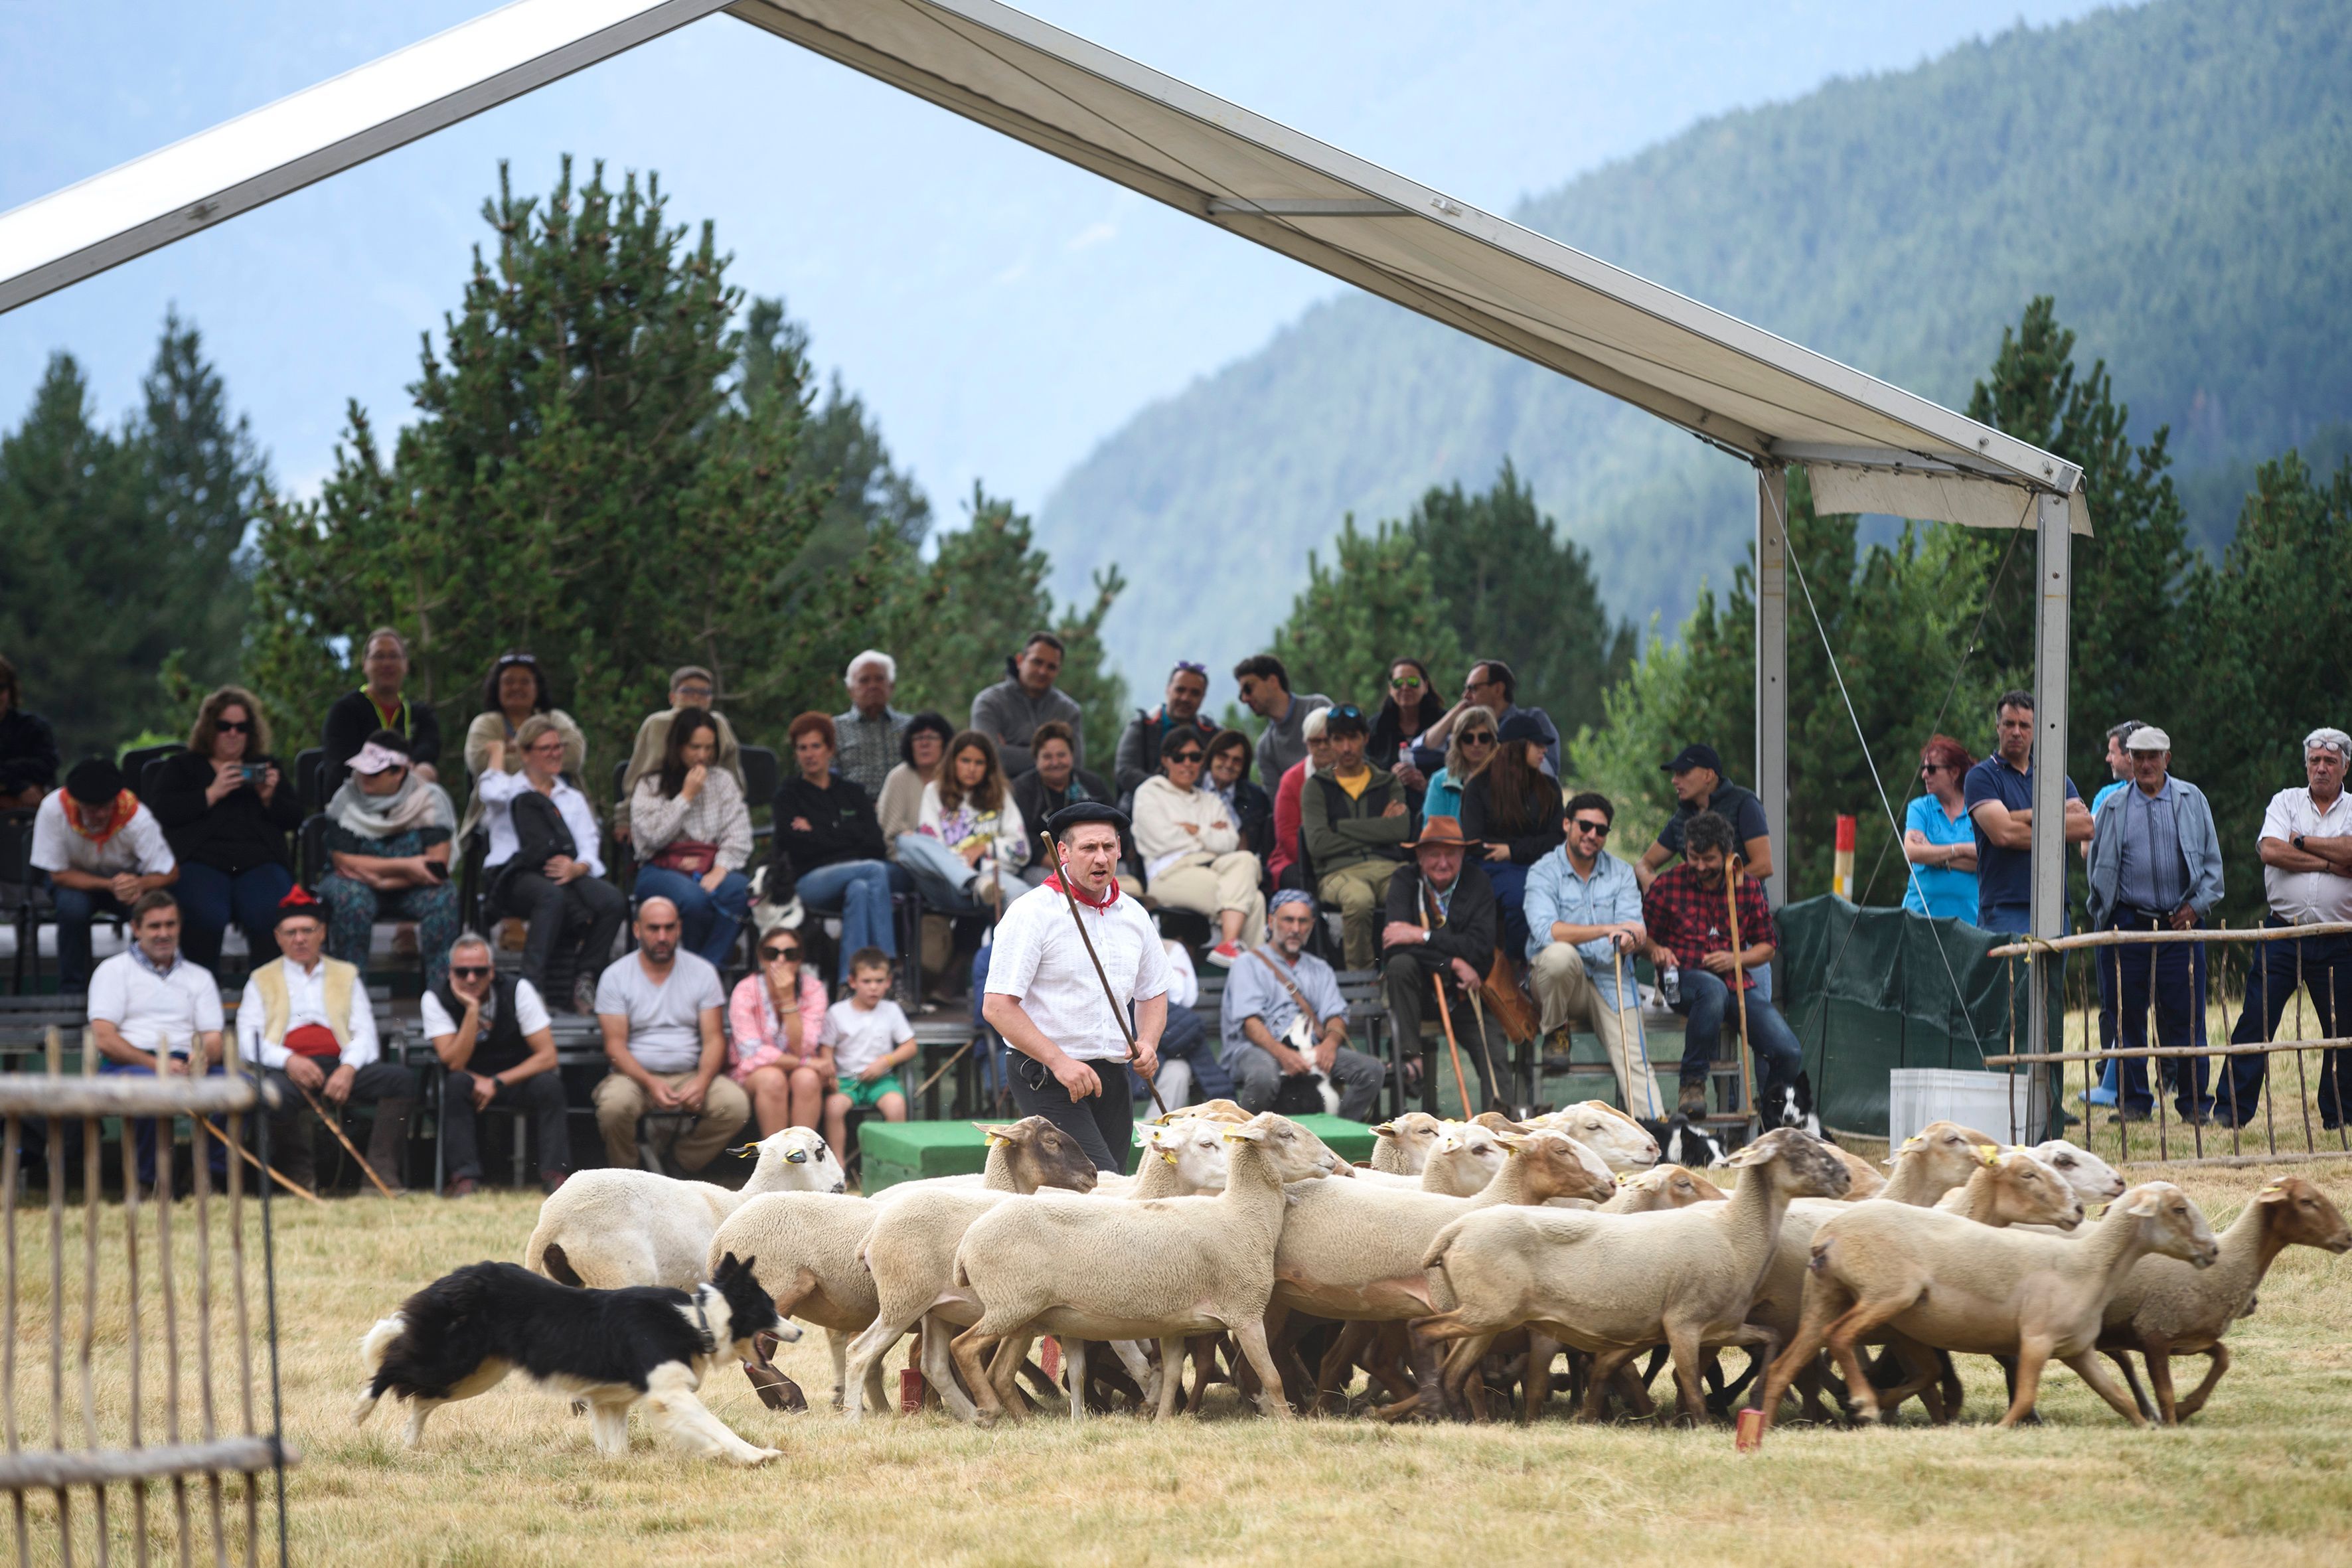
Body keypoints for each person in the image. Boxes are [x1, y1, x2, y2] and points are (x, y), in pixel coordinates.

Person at [980, 801, 1167, 1172]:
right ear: (1062, 852)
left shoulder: (1134, 914)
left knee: (1111, 1188)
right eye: (1088, 848)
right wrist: (1060, 1062)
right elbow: (997, 1007)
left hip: (1114, 1073)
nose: (1101, 858)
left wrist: (1147, 1042)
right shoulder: (1030, 913)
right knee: (1100, 1183)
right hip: (1046, 1075)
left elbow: (1154, 991)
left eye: (1109, 847)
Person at [237, 887, 418, 1194]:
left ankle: (379, 1176)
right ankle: (300, 1178)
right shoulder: (261, 979)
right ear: (278, 937)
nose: (299, 939)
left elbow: (365, 1034)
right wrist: (289, 1060)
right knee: (272, 1094)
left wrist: (348, 1068)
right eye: (291, 932)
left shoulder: (346, 974)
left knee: (400, 1080)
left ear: (322, 933)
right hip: (288, 1070)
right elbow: (247, 1039)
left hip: (339, 1065)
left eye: (308, 930)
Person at [2086, 726, 2224, 1125]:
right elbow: (2097, 869)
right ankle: (2133, 1103)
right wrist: (2107, 915)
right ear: (2128, 759)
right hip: (2127, 924)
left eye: (2153, 756)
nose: (2145, 764)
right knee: (2126, 1017)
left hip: (2179, 926)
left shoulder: (2192, 799)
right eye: (2138, 756)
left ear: (2168, 758)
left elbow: (2214, 866)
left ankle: (2195, 1105)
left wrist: (2195, 909)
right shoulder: (2112, 807)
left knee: (2188, 1019)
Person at [2221, 728, 2352, 1129]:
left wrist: (2301, 841)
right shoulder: (2285, 801)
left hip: (2339, 936)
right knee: (2255, 1021)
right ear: (2306, 764)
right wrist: (2329, 863)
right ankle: (2231, 1111)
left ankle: (2341, 1114)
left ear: (2345, 766)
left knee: (2343, 1027)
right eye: (2315, 761)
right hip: (2283, 933)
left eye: (2330, 761)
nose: (2322, 768)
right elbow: (2270, 850)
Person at [1641, 811, 1802, 1117]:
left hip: (1735, 985)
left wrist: (1735, 958)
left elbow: (1768, 947)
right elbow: (1642, 938)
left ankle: (1772, 1123)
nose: (1700, 866)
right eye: (1693, 856)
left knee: (1788, 1052)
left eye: (1709, 859)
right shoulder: (1668, 884)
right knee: (1711, 989)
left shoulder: (1747, 887)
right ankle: (1692, 1083)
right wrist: (1657, 950)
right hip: (1679, 981)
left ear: (1728, 855)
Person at [1524, 793, 1664, 1119]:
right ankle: (1556, 1030)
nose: (1592, 835)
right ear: (1567, 825)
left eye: (1600, 830)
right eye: (1584, 826)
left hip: (1610, 975)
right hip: (1559, 986)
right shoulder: (1542, 872)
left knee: (1636, 1063)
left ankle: (1657, 1139)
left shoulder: (1621, 873)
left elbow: (1633, 928)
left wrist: (1630, 939)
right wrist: (1607, 929)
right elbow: (1548, 932)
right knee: (1560, 956)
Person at [148, 686, 303, 974]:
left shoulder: (265, 767)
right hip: (201, 860)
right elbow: (160, 812)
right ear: (210, 729)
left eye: (242, 727)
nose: (233, 734)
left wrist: (269, 797)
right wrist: (211, 794)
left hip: (259, 861)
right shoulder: (183, 767)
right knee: (205, 916)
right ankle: (199, 993)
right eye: (225, 726)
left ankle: (270, 995)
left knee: (272, 912)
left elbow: (294, 818)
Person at [478, 714, 627, 1009]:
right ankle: (531, 989)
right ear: (525, 753)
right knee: (551, 896)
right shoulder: (508, 790)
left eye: (558, 747)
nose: (555, 754)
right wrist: (497, 754)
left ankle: (585, 976)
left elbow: (589, 844)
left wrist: (579, 868)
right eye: (546, 748)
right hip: (514, 875)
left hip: (565, 872)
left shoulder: (571, 797)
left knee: (612, 900)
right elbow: (488, 790)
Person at [591, 896, 748, 1173]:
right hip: (633, 1077)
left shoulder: (703, 972)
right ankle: (627, 1177)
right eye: (654, 928)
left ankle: (680, 1164)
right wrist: (650, 1083)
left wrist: (701, 1081)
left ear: (679, 929)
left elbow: (714, 1038)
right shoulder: (615, 976)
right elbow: (615, 1047)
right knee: (614, 1107)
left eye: (669, 928)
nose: (662, 936)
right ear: (638, 930)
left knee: (734, 1106)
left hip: (689, 1073)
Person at [88, 891, 224, 1190]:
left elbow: (213, 1036)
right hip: (130, 1063)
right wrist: (156, 1063)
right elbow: (105, 1038)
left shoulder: (199, 977)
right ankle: (148, 1184)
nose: (164, 933)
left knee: (243, 1086)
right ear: (136, 929)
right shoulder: (113, 971)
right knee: (150, 1090)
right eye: (154, 926)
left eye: (170, 925)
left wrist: (204, 1057)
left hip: (188, 1064)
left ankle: (210, 1176)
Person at [422, 931, 570, 1196]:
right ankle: (464, 1178)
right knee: (455, 1084)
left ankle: (555, 1176)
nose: (470, 978)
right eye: (462, 971)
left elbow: (548, 1056)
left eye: (479, 971)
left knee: (550, 1085)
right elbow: (454, 1062)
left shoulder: (518, 989)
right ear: (450, 972)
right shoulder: (434, 998)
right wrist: (471, 1010)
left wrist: (496, 1082)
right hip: (469, 1078)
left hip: (513, 1077)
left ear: (491, 971)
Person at [1379, 816, 1509, 1111]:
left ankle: (1499, 1129)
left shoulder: (1477, 882)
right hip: (1417, 997)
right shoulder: (1404, 880)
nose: (1442, 862)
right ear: (1420, 856)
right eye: (1434, 854)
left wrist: (1422, 936)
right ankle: (1411, 1061)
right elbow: (1392, 946)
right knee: (1401, 964)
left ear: (1462, 854)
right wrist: (1452, 962)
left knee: (1494, 1052)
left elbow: (1479, 949)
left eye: (1450, 853)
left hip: (1465, 995)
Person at [1221, 890, 1384, 1119]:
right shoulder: (1247, 964)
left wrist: (1329, 1045)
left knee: (1371, 1071)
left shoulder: (1320, 968)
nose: (1296, 929)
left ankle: (1336, 1134)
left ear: (1312, 925)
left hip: (1311, 1050)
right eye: (1288, 920)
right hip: (1255, 1049)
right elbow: (1250, 1023)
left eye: (1303, 921)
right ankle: (1246, 1141)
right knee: (1263, 1077)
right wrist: (1283, 1054)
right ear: (1271, 921)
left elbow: (1336, 1014)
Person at [317, 732, 461, 988]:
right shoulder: (345, 798)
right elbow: (344, 861)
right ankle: (350, 997)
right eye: (362, 771)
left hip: (408, 888)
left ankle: (441, 997)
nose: (363, 778)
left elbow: (436, 866)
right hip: (355, 883)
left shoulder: (429, 799)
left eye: (374, 773)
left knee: (444, 897)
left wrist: (383, 882)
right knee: (351, 900)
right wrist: (408, 866)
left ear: (399, 773)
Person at [775, 711, 900, 982]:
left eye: (816, 746)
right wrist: (845, 836)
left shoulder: (853, 792)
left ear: (830, 749)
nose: (809, 754)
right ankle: (887, 969)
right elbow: (796, 848)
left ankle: (850, 982)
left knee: (860, 888)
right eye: (802, 748)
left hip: (853, 876)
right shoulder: (788, 795)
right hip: (810, 881)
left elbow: (875, 844)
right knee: (874, 871)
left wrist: (818, 832)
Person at [31, 757, 175, 990]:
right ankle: (71, 992)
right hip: (72, 881)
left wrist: (138, 883)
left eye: (105, 807)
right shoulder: (53, 808)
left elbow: (169, 872)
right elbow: (57, 874)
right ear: (76, 802)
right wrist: (109, 885)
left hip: (125, 881)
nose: (98, 815)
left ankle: (144, 986)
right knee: (72, 909)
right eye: (90, 808)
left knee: (147, 910)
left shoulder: (137, 816)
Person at [630, 709, 755, 969]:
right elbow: (651, 838)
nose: (702, 756)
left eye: (709, 748)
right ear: (678, 746)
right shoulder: (651, 784)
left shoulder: (723, 781)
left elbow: (739, 834)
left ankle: (706, 971)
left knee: (741, 891)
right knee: (694, 900)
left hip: (711, 863)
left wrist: (720, 869)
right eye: (695, 747)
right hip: (660, 867)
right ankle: (701, 973)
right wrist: (686, 796)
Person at [1963, 689, 2093, 934]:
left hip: (2055, 906)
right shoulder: (1981, 777)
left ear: (2036, 729)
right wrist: (2055, 817)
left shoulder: (2055, 778)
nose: (2016, 732)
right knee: (2011, 974)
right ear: (1997, 727)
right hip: (2004, 908)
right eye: (2009, 724)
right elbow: (2003, 835)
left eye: (2024, 725)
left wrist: (2018, 816)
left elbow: (2085, 827)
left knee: (2053, 975)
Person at [1133, 729, 1267, 965]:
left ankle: (1229, 945)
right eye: (1179, 757)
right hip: (1169, 873)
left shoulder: (1210, 800)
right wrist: (1210, 833)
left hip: (1213, 867)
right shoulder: (1149, 793)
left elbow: (1230, 843)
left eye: (1195, 757)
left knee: (1246, 859)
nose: (1188, 763)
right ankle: (1252, 973)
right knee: (1253, 900)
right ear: (1165, 760)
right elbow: (1161, 840)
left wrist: (1194, 829)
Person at [1302, 704, 1411, 970]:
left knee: (1410, 891)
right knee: (1359, 899)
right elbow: (1317, 844)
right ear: (1329, 742)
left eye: (1353, 738)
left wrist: (1339, 827)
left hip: (1388, 868)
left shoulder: (1387, 783)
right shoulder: (1316, 787)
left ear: (1366, 738)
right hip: (1338, 873)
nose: (1347, 748)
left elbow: (1399, 830)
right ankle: (1361, 983)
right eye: (1338, 739)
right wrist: (1377, 830)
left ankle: (1401, 975)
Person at [1458, 712, 1565, 960]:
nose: (1545, 751)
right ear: (1518, 747)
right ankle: (1519, 967)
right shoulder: (1479, 788)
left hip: (1539, 865)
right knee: (1524, 898)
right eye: (1537, 745)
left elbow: (1558, 840)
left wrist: (1513, 850)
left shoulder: (1549, 789)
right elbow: (1475, 842)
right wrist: (1517, 851)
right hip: (1491, 867)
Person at [2082, 720, 2144, 1107]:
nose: (2107, 757)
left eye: (2113, 750)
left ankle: (2170, 1078)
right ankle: (2111, 1080)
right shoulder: (2106, 794)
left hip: (2158, 913)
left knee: (2169, 1003)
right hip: (2113, 912)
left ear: (2132, 755)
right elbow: (2088, 849)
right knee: (2113, 1000)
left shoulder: (2170, 794)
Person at [459, 652, 586, 838]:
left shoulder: (556, 719)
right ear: (497, 688)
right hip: (501, 818)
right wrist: (546, 757)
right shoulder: (486, 723)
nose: (516, 687)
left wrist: (507, 751)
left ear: (537, 688)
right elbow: (480, 764)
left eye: (525, 682)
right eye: (509, 682)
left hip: (562, 814)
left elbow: (574, 756)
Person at [902, 731, 1028, 915]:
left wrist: (985, 847)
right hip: (949, 883)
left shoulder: (1000, 794)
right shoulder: (934, 792)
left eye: (979, 763)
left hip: (993, 881)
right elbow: (934, 849)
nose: (971, 769)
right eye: (965, 761)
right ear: (953, 762)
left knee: (1025, 898)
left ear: (989, 767)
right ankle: (971, 881)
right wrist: (963, 865)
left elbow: (1021, 849)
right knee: (906, 841)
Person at [617, 666, 744, 842]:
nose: (696, 697)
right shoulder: (657, 724)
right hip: (658, 802)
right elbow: (637, 774)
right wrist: (624, 817)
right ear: (672, 697)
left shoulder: (719, 725)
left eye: (704, 692)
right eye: (688, 691)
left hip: (710, 807)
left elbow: (733, 775)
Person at [728, 927, 830, 1137]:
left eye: (790, 954)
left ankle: (801, 1158)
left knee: (808, 1079)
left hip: (799, 1067)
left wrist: (787, 999)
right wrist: (804, 1063)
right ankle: (776, 1162)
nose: (781, 960)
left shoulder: (813, 989)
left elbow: (804, 1047)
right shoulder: (745, 989)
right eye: (772, 953)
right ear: (761, 957)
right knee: (772, 1079)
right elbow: (751, 1052)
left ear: (800, 959)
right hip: (755, 1072)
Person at [1012, 722, 1134, 893]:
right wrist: (1067, 864)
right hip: (1046, 865)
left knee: (1126, 890)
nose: (1055, 762)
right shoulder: (1022, 789)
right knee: (1052, 892)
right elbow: (1022, 837)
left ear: (1072, 755)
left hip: (1099, 859)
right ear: (1036, 759)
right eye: (1047, 757)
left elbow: (1115, 823)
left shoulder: (1092, 784)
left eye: (1061, 755)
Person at [819, 947, 915, 1158]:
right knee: (834, 1108)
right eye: (867, 981)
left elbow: (910, 1046)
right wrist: (830, 1074)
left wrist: (886, 1061)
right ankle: (838, 1168)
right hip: (846, 1081)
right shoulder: (837, 1012)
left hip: (881, 1080)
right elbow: (826, 1049)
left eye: (879, 981)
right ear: (852, 981)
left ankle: (894, 1163)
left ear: (889, 982)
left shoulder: (891, 1010)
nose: (874, 987)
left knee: (896, 1105)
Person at [1638, 743, 1773, 892]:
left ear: (1709, 775)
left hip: (1744, 911)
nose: (1674, 780)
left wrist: (1715, 890)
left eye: (1683, 773)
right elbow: (1644, 863)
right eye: (1675, 774)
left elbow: (1764, 866)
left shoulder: (1744, 803)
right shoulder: (1682, 816)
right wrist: (1649, 880)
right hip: (1696, 913)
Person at [321, 628, 441, 791]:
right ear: (365, 664)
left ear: (406, 664)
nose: (387, 664)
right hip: (360, 804)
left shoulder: (421, 715)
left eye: (393, 656)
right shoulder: (344, 711)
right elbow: (339, 769)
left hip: (410, 801)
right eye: (379, 656)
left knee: (428, 772)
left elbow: (429, 748)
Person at [1129, 935, 1234, 1109]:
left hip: (1158, 1041)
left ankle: (1161, 1132)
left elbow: (1182, 1000)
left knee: (1178, 1072)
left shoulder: (1172, 949)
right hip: (1109, 1057)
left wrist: (1148, 1041)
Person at [970, 632, 1083, 777]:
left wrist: (1010, 751)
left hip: (1055, 798)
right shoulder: (989, 702)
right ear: (1020, 661)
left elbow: (1075, 764)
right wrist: (1056, 757)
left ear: (1058, 671)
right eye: (1037, 662)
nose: (1043, 671)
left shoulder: (1069, 711)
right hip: (998, 795)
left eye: (1051, 667)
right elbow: (988, 757)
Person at [1422, 659, 1560, 777]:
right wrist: (1454, 713)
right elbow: (1424, 748)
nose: (1465, 696)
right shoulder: (1465, 725)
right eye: (1469, 739)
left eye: (1472, 688)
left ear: (1498, 689)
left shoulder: (1533, 719)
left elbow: (1549, 771)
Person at [1901, 734, 1980, 923]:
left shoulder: (1978, 809)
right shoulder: (1919, 808)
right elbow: (1913, 852)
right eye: (1924, 768)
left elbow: (1986, 860)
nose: (1924, 775)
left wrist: (1935, 856)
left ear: (1954, 772)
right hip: (1919, 921)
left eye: (1932, 769)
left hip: (1969, 923)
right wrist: (1961, 850)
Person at [1113, 662, 1217, 797]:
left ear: (1203, 697)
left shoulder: (1213, 734)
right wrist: (1169, 792)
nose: (1186, 698)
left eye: (1195, 693)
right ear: (1168, 689)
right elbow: (1125, 772)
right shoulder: (1141, 726)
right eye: (1180, 690)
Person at [1233, 653, 1329, 785]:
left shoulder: (1317, 707)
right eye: (1241, 695)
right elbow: (1278, 802)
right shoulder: (1265, 748)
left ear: (1273, 681)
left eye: (1248, 689)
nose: (1244, 699)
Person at [1267, 706, 1334, 888]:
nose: (1322, 747)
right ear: (1306, 743)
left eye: (1327, 740)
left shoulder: (1352, 774)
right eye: (1315, 741)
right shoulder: (1291, 780)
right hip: (1296, 860)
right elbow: (1286, 837)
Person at [834, 650, 910, 798]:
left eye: (880, 679)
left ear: (891, 686)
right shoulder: (834, 729)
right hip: (853, 815)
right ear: (850, 690)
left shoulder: (912, 728)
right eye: (864, 680)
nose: (873, 686)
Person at [877, 712, 953, 848]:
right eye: (918, 738)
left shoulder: (956, 776)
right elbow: (892, 831)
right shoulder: (898, 777)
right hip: (906, 857)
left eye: (932, 737)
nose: (924, 743)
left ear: (945, 743)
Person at [1204, 727, 1274, 864]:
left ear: (1244, 766)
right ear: (1211, 757)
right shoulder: (1191, 786)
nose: (1229, 764)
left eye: (1236, 760)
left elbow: (1265, 848)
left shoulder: (1256, 798)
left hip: (1239, 865)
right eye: (1223, 756)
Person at [1369, 657, 1443, 784]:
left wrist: (1427, 786)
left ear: (1425, 686)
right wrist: (1389, 778)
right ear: (1390, 688)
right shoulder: (1374, 727)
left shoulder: (1444, 723)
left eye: (1413, 682)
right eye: (1398, 683)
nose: (1405, 687)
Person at [1420, 705, 1498, 825]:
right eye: (1468, 738)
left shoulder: (1507, 779)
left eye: (1484, 738)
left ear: (1493, 741)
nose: (1476, 744)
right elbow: (1433, 832)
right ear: (1458, 742)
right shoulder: (1440, 781)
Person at [0, 654, 58, 809]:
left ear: (11, 690)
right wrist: (19, 786)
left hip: (29, 817)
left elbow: (47, 765)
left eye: (1, 688)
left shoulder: (33, 727)